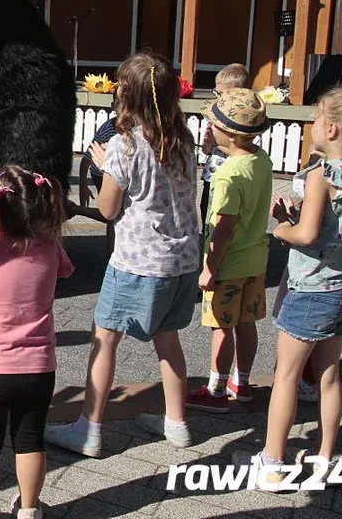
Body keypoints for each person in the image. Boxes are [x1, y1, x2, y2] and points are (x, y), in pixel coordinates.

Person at [234, 88, 342, 487]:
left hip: (311, 291)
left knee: (286, 377)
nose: (310, 126)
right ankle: (325, 458)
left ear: (331, 129)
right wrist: (301, 220)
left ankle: (273, 463)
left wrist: (283, 228)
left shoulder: (320, 175)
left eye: (314, 119)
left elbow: (308, 235)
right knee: (328, 378)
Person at [45, 53, 199, 457]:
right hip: (181, 259)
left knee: (104, 339)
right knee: (169, 341)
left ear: (124, 96)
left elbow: (109, 211)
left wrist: (101, 166)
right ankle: (177, 423)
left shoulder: (123, 144)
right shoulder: (184, 140)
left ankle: (89, 429)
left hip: (138, 262)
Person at [0, 166, 74, 519]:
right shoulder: (49, 246)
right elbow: (64, 272)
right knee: (30, 440)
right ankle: (29, 509)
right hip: (38, 367)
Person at [185, 89, 273, 414]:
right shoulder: (261, 160)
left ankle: (217, 390)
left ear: (231, 134)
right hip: (256, 258)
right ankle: (243, 382)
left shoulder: (227, 175)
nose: (209, 128)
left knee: (221, 326)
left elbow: (224, 228)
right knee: (246, 323)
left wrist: (209, 268)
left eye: (213, 123)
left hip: (229, 264)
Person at [200, 64, 251, 230]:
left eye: (221, 94)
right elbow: (207, 150)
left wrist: (218, 144)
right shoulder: (217, 116)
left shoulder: (246, 121)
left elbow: (243, 152)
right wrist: (207, 144)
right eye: (216, 93)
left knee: (224, 221)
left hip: (231, 178)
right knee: (206, 217)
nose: (218, 98)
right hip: (212, 176)